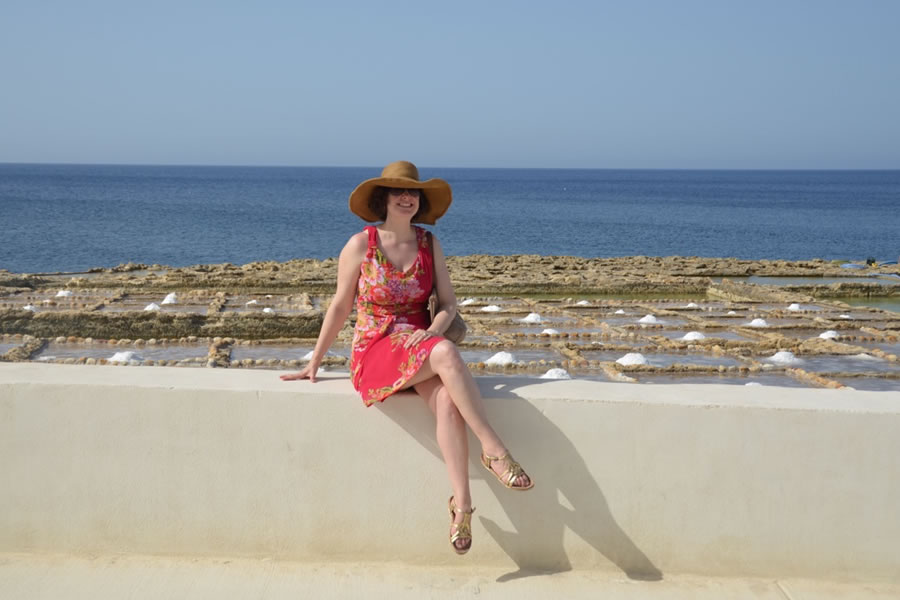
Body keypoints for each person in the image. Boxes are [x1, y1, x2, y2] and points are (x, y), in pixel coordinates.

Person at [280, 160, 533, 555]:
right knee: (446, 353)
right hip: (376, 350)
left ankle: (462, 505)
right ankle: (494, 450)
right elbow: (340, 306)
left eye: (413, 192)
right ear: (383, 198)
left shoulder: (430, 244)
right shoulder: (361, 244)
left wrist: (428, 337)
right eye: (398, 191)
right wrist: (316, 360)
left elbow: (448, 305)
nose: (406, 197)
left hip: (421, 348)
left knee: (449, 399)